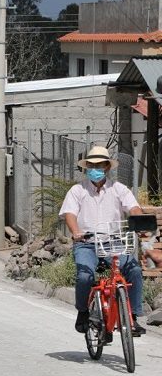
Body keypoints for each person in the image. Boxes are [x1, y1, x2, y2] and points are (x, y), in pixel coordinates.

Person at [59, 145, 145, 338]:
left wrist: (138, 222)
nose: (95, 168)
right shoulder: (77, 190)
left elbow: (133, 208)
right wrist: (76, 231)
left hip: (113, 242)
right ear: (86, 166)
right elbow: (70, 214)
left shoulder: (118, 189)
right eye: (91, 164)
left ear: (107, 167)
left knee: (134, 270)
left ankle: (132, 317)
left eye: (99, 165)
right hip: (86, 243)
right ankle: (83, 312)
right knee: (84, 276)